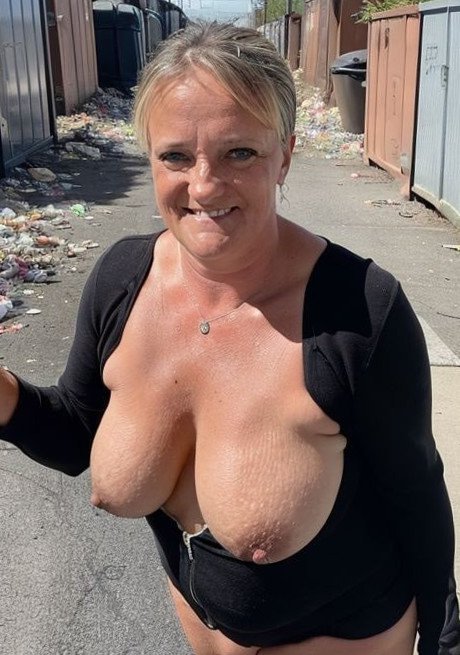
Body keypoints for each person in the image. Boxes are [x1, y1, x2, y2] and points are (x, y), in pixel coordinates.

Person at [0, 20, 459, 655]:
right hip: (201, 627)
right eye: (175, 156)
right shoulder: (122, 279)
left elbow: (416, 495)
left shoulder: (360, 312)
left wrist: (444, 641)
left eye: (239, 152)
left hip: (345, 633)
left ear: (285, 154)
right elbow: (79, 429)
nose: (204, 186)